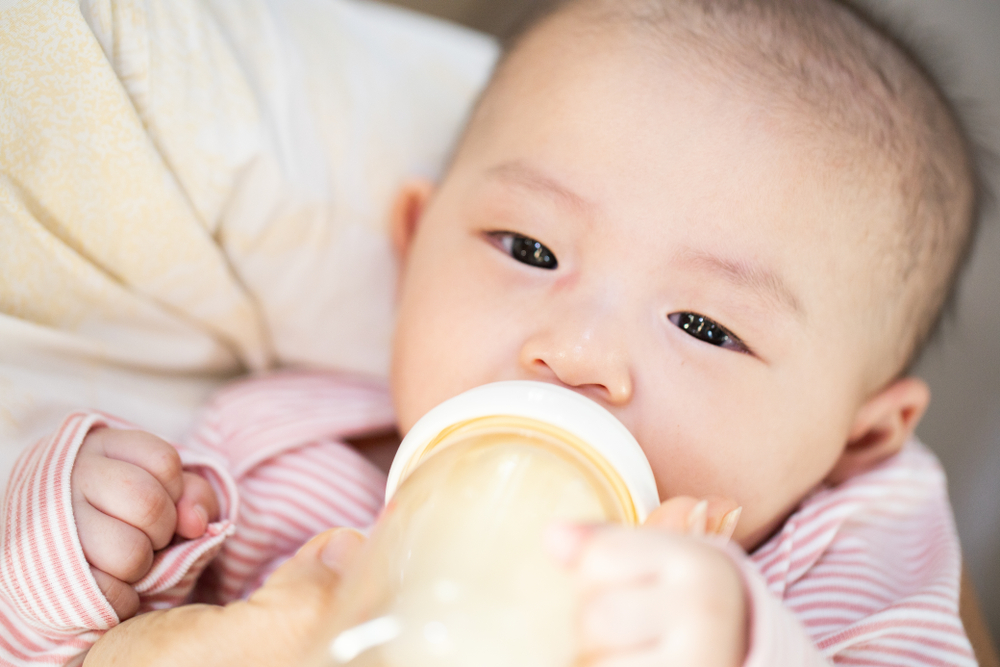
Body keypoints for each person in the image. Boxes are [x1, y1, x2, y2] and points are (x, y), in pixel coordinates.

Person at [0, 0, 983, 665]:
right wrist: (76, 550)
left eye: (703, 324)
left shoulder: (845, 546)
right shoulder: (276, 458)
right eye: (527, 247)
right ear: (414, 242)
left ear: (859, 435)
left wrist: (741, 641)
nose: (575, 351)